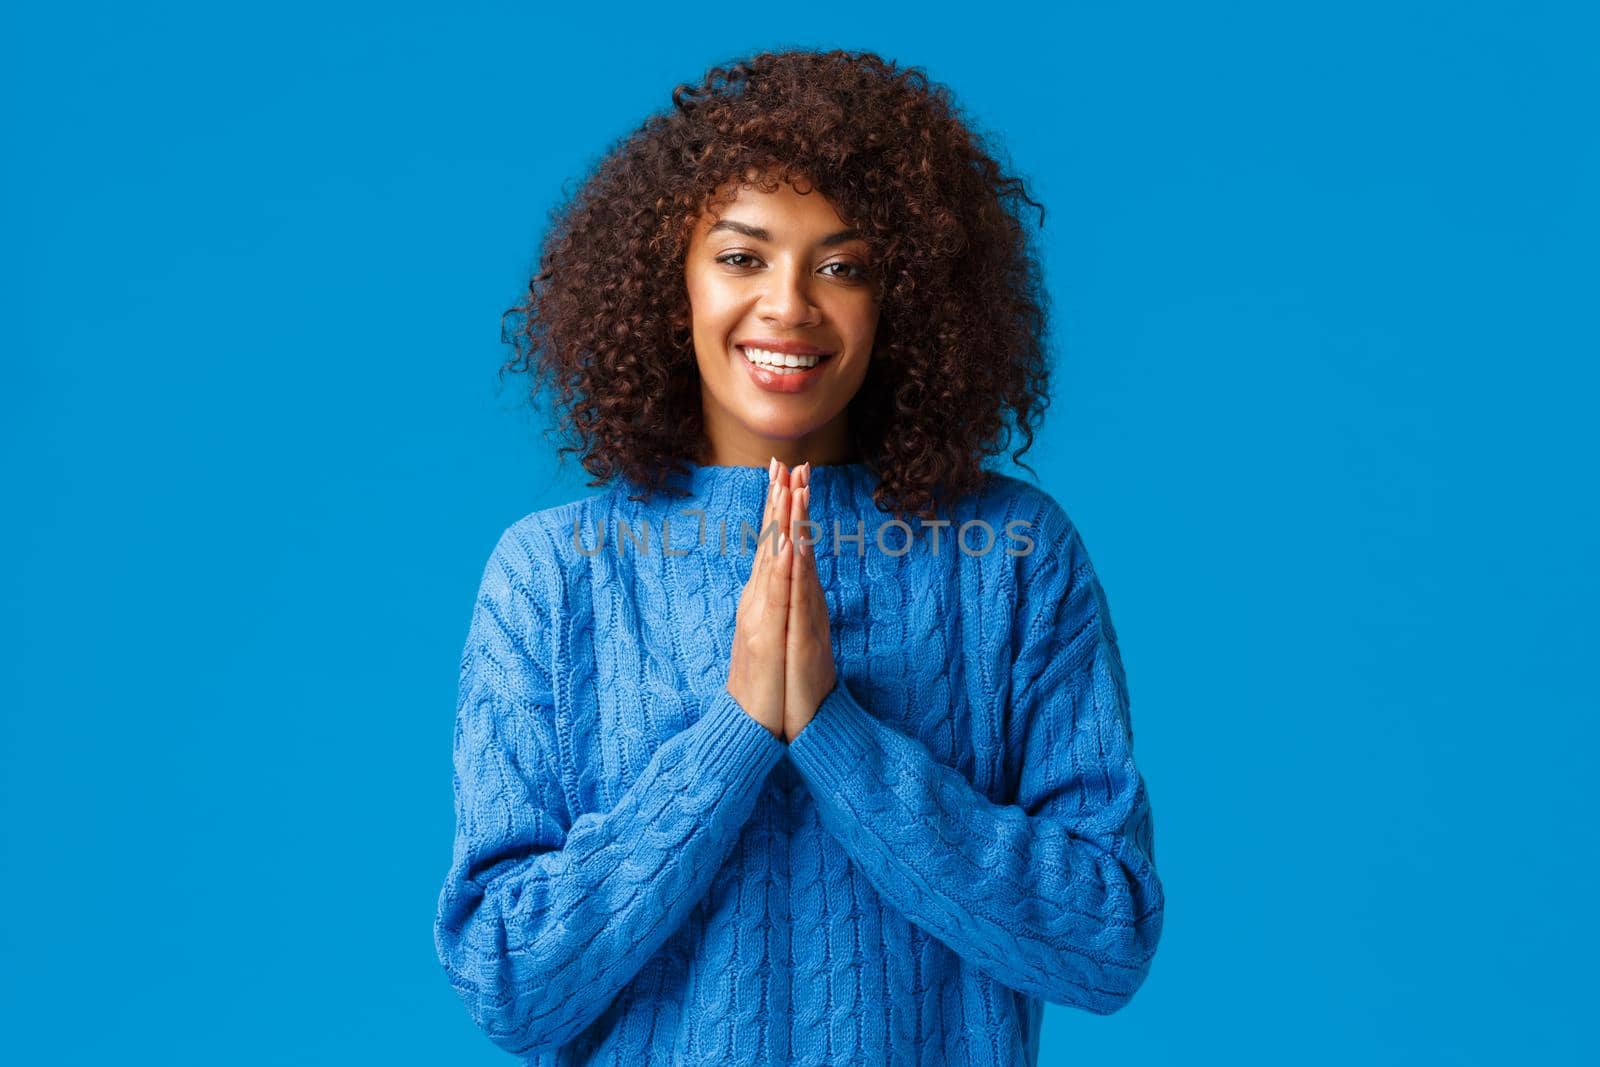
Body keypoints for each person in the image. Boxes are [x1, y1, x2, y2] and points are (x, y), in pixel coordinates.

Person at [433, 47, 1164, 1065]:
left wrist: (832, 732)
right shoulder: (554, 572)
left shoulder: (1012, 553)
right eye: (740, 256)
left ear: (904, 296)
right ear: (668, 281)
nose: (788, 305)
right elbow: (508, 979)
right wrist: (735, 731)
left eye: (843, 265)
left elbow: (1106, 940)